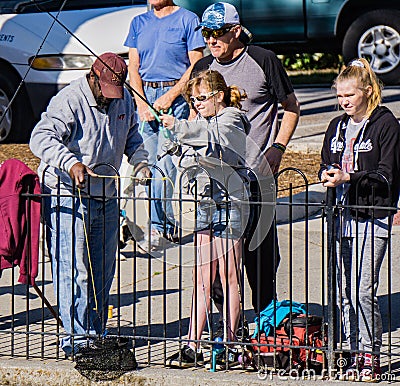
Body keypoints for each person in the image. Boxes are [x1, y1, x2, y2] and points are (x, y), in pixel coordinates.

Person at [29, 52, 150, 357]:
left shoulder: (122, 100)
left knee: (102, 270)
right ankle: (76, 339)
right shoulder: (69, 99)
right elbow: (40, 138)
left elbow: (133, 137)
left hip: (106, 193)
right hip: (68, 194)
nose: (110, 99)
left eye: (116, 93)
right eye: (106, 91)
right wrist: (71, 163)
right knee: (74, 269)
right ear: (94, 77)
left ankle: (96, 332)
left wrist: (141, 162)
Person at [191, 2, 300, 323]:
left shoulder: (263, 60)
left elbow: (291, 107)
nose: (211, 40)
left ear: (236, 31)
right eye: (207, 33)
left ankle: (266, 324)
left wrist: (278, 148)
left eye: (218, 33)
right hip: (216, 182)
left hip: (257, 176)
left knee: (261, 257)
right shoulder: (204, 71)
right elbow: (193, 117)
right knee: (216, 264)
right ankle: (231, 328)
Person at [162, 69, 250, 367]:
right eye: (193, 99)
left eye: (201, 98)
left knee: (228, 277)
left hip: (230, 204)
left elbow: (218, 138)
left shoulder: (232, 119)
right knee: (201, 277)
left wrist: (182, 129)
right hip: (203, 204)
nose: (197, 104)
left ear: (219, 96)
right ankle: (191, 344)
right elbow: (184, 156)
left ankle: (230, 342)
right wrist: (173, 145)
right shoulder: (196, 122)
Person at [319, 58, 400, 381]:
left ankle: (371, 355)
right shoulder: (337, 126)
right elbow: (327, 159)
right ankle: (351, 352)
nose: (344, 102)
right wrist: (328, 174)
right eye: (340, 96)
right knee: (342, 293)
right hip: (342, 216)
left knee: (362, 291)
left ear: (367, 91)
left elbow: (387, 174)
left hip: (373, 217)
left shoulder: (386, 124)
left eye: (350, 95)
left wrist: (348, 177)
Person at [124, 0, 204, 248]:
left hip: (176, 98)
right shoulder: (139, 22)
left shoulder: (188, 20)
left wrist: (171, 96)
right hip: (145, 97)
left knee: (165, 165)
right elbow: (133, 67)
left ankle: (160, 227)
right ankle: (163, 224)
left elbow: (196, 65)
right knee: (146, 164)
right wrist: (141, 102)